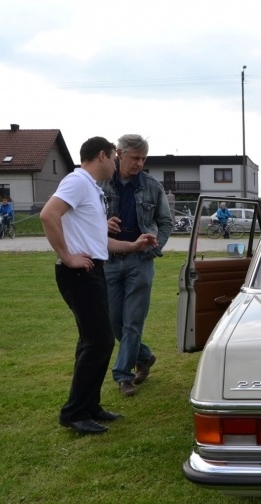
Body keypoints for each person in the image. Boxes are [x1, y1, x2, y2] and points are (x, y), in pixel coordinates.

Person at [41, 137, 157, 435]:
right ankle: (74, 412)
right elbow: (47, 214)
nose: (116, 163)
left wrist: (133, 245)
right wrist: (66, 256)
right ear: (102, 155)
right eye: (113, 158)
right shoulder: (78, 181)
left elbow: (99, 241)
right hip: (80, 274)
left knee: (92, 342)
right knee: (99, 341)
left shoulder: (90, 189)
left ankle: (90, 407)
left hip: (93, 271)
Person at [100, 134, 173, 397]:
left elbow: (166, 222)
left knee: (133, 321)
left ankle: (123, 375)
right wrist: (101, 224)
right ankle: (144, 356)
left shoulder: (152, 186)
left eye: (143, 158)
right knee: (113, 320)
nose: (139, 163)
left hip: (140, 262)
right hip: (108, 260)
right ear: (119, 154)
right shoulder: (100, 183)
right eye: (135, 158)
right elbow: (83, 217)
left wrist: (155, 246)